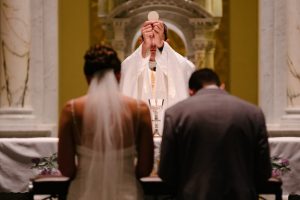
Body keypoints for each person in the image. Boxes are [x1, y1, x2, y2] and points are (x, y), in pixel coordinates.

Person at [58, 45, 154, 200]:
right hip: (126, 192)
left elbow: (67, 169)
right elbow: (144, 169)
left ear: (87, 76)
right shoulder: (139, 109)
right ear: (118, 75)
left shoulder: (72, 110)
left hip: (84, 193)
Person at [159, 68, 272, 200]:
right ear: (221, 86)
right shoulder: (253, 113)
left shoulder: (175, 113)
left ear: (190, 91)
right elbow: (263, 171)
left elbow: (167, 172)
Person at [120, 20, 195, 111]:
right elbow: (125, 71)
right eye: (149, 38)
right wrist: (143, 49)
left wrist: (162, 46)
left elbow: (187, 69)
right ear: (141, 42)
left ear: (167, 43)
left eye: (158, 39)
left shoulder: (178, 64)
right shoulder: (132, 65)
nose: (153, 44)